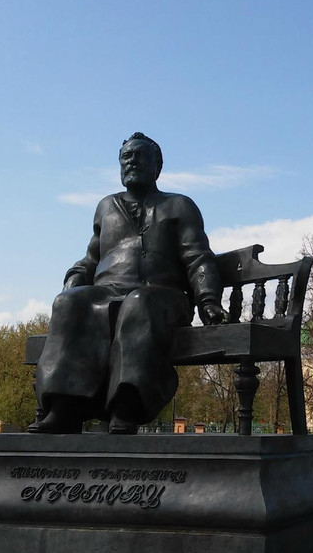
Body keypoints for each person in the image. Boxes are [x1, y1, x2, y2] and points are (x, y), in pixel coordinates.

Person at [28, 133, 226, 435]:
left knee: (138, 302)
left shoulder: (179, 206)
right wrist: (74, 280)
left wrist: (208, 300)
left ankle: (126, 405)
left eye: (140, 156)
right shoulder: (106, 207)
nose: (131, 161)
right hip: (106, 294)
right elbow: (90, 259)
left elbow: (198, 258)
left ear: (157, 167)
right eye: (126, 158)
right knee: (68, 302)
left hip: (162, 297)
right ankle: (66, 407)